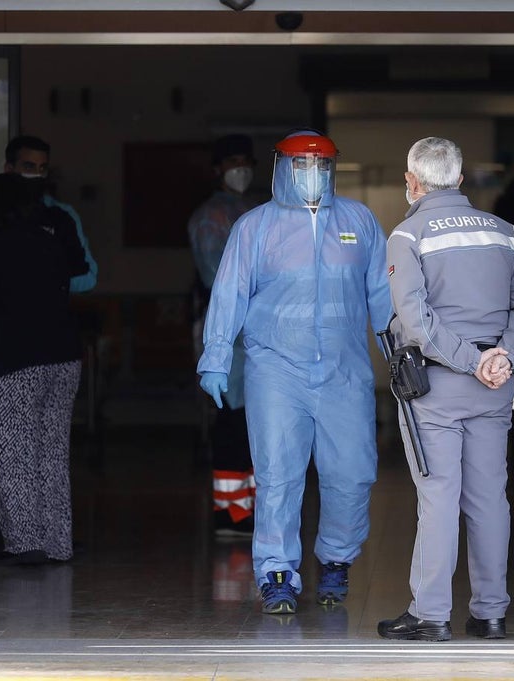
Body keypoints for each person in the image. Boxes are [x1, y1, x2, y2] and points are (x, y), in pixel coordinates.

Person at [196, 129, 392, 615]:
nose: (312, 175)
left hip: (345, 372)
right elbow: (229, 294)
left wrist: (400, 351)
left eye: (321, 166)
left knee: (352, 473)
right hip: (276, 371)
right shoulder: (255, 228)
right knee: (279, 474)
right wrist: (217, 355)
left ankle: (336, 561)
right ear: (281, 168)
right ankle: (277, 572)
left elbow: (383, 296)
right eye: (302, 166)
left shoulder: (358, 222)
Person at [377, 137, 514, 642]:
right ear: (461, 180)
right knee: (490, 498)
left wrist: (470, 362)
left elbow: (416, 322)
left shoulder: (407, 235)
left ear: (412, 182)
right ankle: (490, 614)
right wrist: (501, 359)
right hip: (495, 386)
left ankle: (431, 614)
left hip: (436, 387)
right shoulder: (508, 234)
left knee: (439, 496)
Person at [0, 134, 98, 556]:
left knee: (13, 457)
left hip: (11, 362)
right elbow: (78, 281)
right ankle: (57, 544)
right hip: (63, 360)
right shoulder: (51, 239)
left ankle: (25, 544)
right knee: (51, 453)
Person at [187, 134, 259, 536]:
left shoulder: (259, 209)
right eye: (232, 161)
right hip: (228, 335)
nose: (240, 169)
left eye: (245, 160)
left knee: (258, 424)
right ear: (217, 168)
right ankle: (230, 512)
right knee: (232, 421)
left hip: (261, 338)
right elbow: (219, 279)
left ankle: (248, 509)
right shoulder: (210, 217)